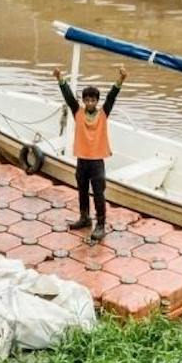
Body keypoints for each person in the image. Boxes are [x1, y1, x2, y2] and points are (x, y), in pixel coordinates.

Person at [54, 63, 127, 242]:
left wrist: (121, 79)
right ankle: (85, 218)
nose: (90, 103)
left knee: (99, 192)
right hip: (82, 160)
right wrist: (60, 78)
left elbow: (111, 97)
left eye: (93, 100)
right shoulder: (78, 113)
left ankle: (100, 224)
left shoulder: (103, 114)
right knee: (82, 190)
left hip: (96, 162)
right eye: (87, 100)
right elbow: (69, 97)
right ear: (84, 101)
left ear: (97, 101)